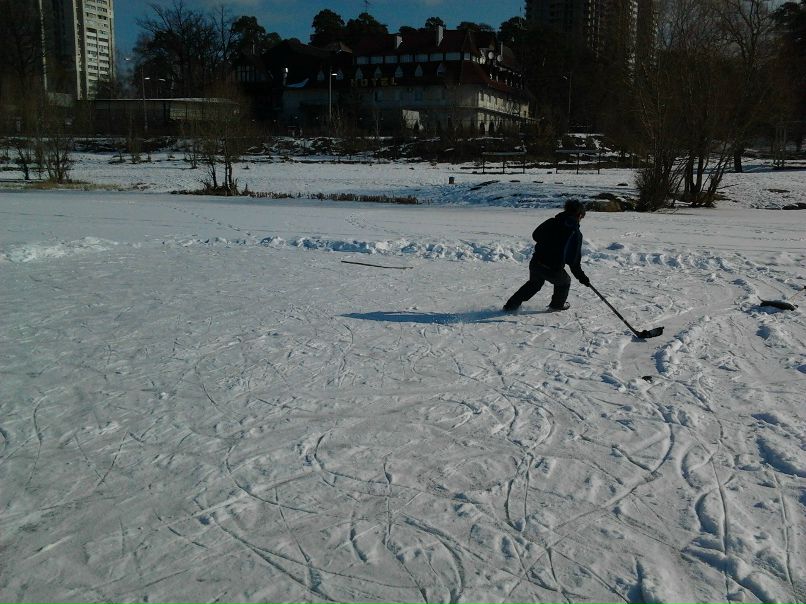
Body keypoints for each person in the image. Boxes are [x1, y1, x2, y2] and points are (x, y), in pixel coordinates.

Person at [503, 199, 591, 312]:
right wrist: (583, 278)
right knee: (564, 282)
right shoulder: (575, 234)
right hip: (552, 268)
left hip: (536, 262)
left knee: (534, 284)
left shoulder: (552, 221)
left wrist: (548, 242)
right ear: (579, 215)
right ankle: (556, 305)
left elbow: (536, 235)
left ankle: (510, 306)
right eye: (582, 217)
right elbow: (574, 263)